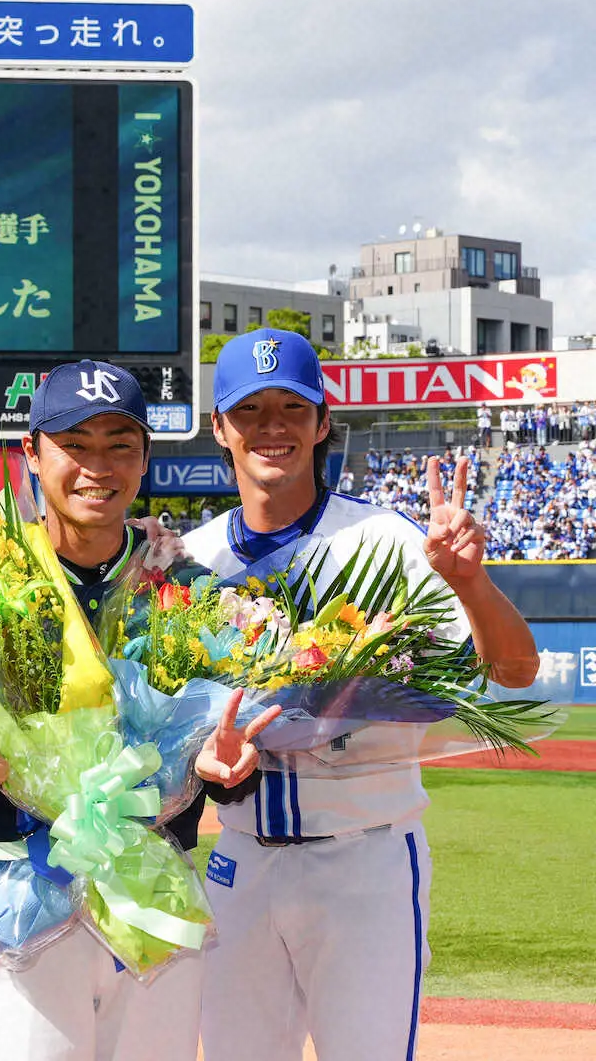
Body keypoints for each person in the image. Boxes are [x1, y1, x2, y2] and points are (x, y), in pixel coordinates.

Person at [184, 328, 540, 1061]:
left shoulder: (391, 540)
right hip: (239, 859)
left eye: (292, 406)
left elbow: (515, 671)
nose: (272, 426)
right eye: (249, 410)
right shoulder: (190, 559)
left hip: (365, 857)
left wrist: (469, 581)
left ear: (322, 422)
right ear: (218, 426)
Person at [0, 360, 279, 1061]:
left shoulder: (185, 586)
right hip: (19, 888)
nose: (97, 465)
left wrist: (230, 771)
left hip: (153, 886)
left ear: (145, 456)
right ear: (31, 452)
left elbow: (228, 752)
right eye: (74, 443)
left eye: (120, 443)